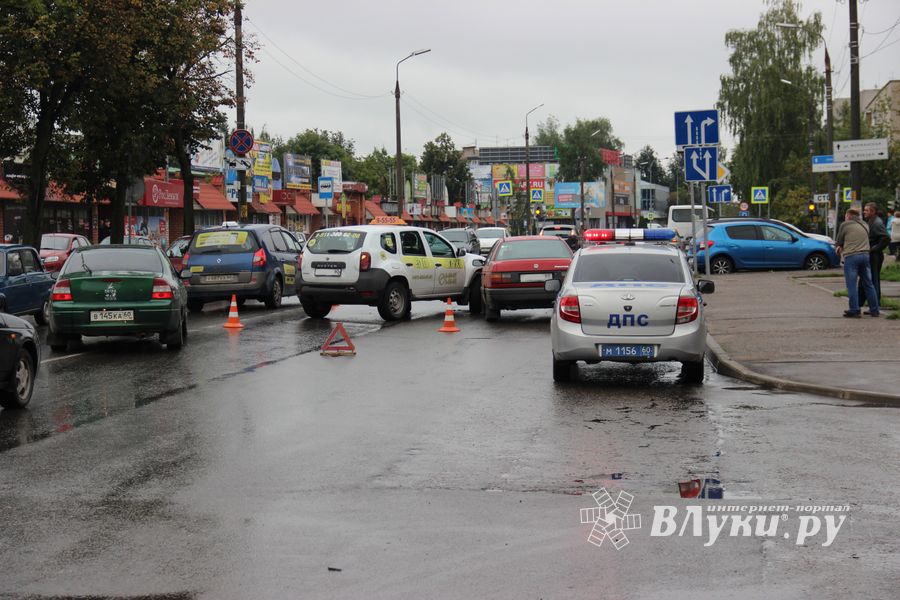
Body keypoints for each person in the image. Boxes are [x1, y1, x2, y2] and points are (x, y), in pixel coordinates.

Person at [835, 208, 879, 318]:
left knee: (852, 284)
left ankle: (854, 309)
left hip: (852, 256)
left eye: (846, 215)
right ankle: (874, 309)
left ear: (849, 215)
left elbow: (839, 241)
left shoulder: (845, 225)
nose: (845, 217)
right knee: (868, 283)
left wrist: (839, 247)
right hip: (865, 256)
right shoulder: (865, 224)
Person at [857, 202, 890, 306]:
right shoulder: (872, 221)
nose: (864, 212)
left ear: (873, 211)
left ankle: (875, 305)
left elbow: (886, 238)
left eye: (866, 210)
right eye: (865, 210)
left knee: (872, 280)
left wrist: (875, 249)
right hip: (871, 254)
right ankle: (860, 303)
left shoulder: (877, 223)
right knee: (865, 279)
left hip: (874, 256)